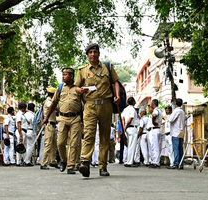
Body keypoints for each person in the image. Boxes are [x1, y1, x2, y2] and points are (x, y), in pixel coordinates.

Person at [75, 43, 120, 177]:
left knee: (105, 136)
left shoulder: (108, 66)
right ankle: (85, 162)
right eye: (90, 52)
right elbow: (76, 87)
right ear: (87, 55)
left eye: (95, 52)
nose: (93, 54)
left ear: (99, 53)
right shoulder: (82, 70)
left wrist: (117, 95)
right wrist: (80, 90)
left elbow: (115, 82)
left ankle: (103, 166)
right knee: (89, 133)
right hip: (89, 106)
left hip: (106, 105)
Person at [43, 67, 82, 174]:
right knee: (60, 143)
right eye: (63, 75)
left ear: (71, 76)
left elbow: (85, 105)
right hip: (63, 118)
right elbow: (54, 103)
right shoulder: (60, 88)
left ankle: (70, 166)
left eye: (65, 75)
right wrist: (46, 117)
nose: (63, 77)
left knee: (74, 144)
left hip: (76, 118)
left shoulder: (78, 88)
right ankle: (64, 161)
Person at [41, 87, 59, 170]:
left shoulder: (51, 101)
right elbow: (54, 107)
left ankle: (53, 161)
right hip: (49, 125)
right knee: (48, 144)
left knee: (54, 145)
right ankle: (43, 163)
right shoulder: (48, 102)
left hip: (53, 125)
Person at [122, 97, 140, 167]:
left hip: (128, 129)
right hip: (132, 128)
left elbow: (123, 118)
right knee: (132, 146)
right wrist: (125, 127)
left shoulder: (125, 109)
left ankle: (128, 161)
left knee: (129, 145)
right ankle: (130, 162)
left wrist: (124, 127)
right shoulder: (132, 109)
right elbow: (130, 119)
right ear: (133, 102)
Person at [169, 98, 186, 169]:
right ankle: (181, 163)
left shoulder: (176, 111)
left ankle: (176, 163)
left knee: (176, 148)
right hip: (181, 132)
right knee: (180, 148)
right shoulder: (183, 112)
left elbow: (170, 120)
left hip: (175, 132)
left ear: (175, 104)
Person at [149, 99, 163, 168]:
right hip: (157, 129)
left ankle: (156, 162)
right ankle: (155, 161)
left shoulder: (156, 110)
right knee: (154, 146)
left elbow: (154, 115)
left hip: (155, 129)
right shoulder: (159, 110)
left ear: (153, 104)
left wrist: (153, 121)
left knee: (155, 146)